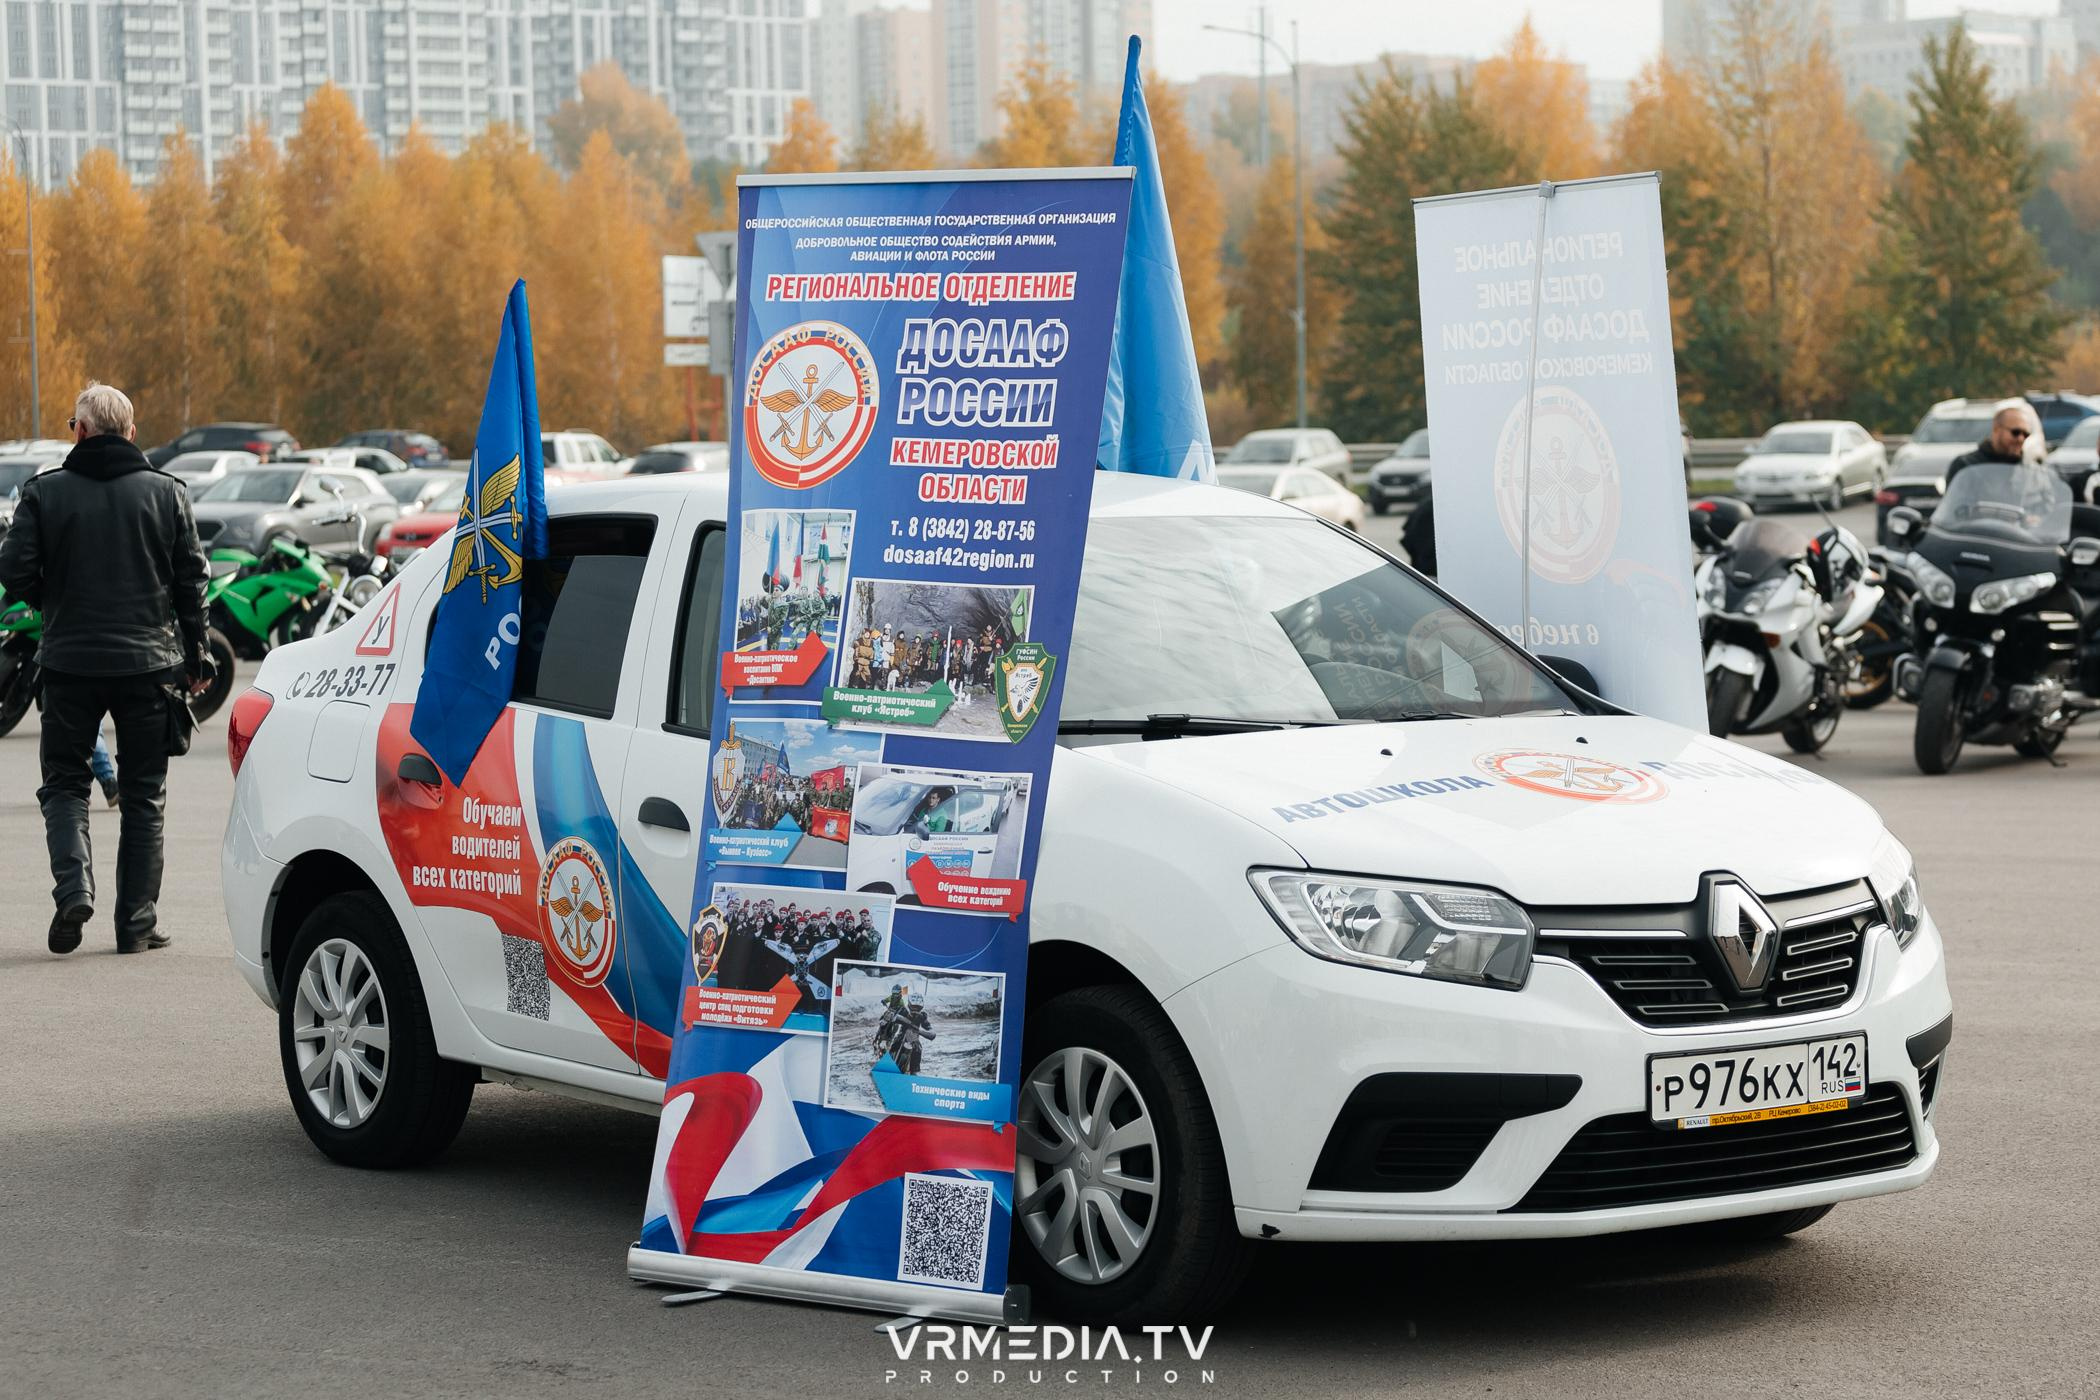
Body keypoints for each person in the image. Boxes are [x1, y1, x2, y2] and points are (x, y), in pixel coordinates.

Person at [0, 383, 210, 955]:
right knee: (144, 796)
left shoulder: (45, 493)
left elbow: (13, 572)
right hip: (149, 666)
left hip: (69, 662)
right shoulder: (168, 493)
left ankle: (74, 890)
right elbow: (192, 583)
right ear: (133, 433)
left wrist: (56, 604)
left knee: (65, 784)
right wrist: (198, 656)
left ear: (82, 431)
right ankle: (136, 925)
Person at [1945, 400, 2037, 488]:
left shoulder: (2030, 470)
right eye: (2015, 432)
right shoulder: (1965, 466)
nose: (2021, 439)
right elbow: (1957, 502)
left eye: (2026, 434)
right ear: (1996, 429)